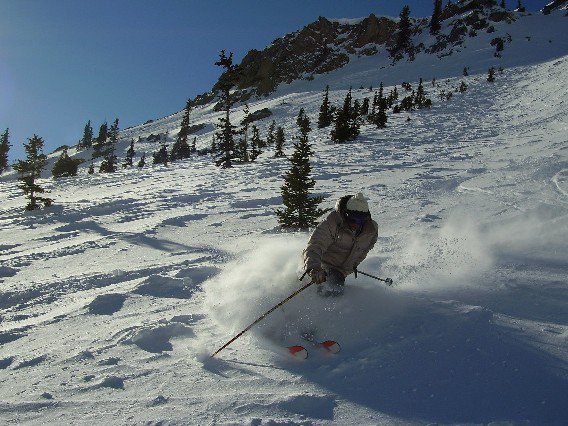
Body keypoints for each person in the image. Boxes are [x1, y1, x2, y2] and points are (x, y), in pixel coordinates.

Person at [303, 193, 379, 296]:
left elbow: (365, 250)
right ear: (345, 214)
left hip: (341, 271)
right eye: (352, 219)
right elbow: (315, 245)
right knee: (331, 288)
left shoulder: (371, 231)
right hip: (322, 265)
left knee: (336, 283)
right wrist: (314, 267)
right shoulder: (332, 222)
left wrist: (352, 265)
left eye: (360, 220)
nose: (355, 224)